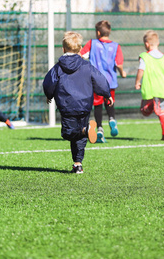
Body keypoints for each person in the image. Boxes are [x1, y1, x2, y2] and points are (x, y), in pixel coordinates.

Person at [43, 31, 113, 174]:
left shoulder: (58, 67)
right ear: (80, 49)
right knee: (80, 139)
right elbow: (100, 80)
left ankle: (85, 132)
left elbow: (48, 83)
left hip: (67, 105)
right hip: (85, 105)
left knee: (68, 134)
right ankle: (78, 164)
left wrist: (49, 95)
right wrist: (107, 94)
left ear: (63, 49)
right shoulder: (86, 66)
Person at [80, 20, 126, 143]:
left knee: (97, 105)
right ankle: (112, 119)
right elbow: (119, 64)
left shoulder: (92, 43)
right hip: (110, 81)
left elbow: (81, 55)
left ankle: (100, 128)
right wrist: (122, 73)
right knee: (110, 101)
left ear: (98, 32)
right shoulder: (116, 46)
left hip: (95, 81)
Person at [135, 30, 164, 141]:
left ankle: (152, 104)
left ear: (146, 44)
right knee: (163, 112)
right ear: (158, 43)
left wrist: (137, 82)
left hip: (152, 90)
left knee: (144, 111)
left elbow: (141, 70)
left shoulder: (145, 57)